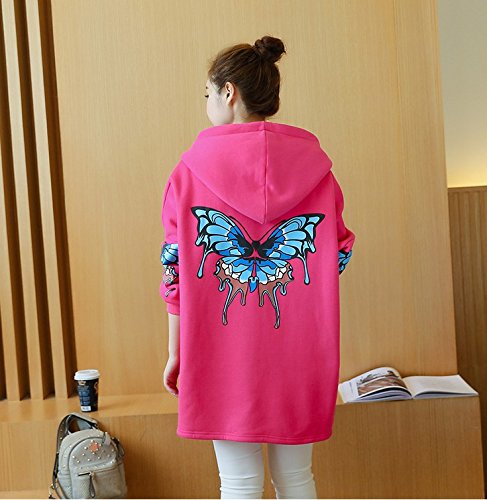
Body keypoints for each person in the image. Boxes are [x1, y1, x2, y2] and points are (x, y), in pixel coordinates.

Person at [160, 35, 355, 499]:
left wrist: (176, 351)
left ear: (228, 92)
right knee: (297, 479)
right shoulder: (320, 173)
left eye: (208, 93)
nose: (207, 103)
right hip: (301, 350)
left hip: (219, 351)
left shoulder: (188, 174)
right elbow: (338, 252)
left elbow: (175, 274)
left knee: (239, 483)